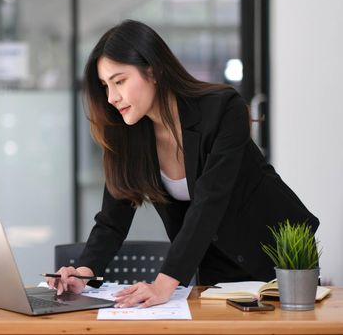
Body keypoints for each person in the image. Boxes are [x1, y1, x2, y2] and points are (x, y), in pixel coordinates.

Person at [47, 20, 319, 308]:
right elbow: (112, 220)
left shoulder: (224, 109)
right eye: (105, 86)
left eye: (120, 81)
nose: (112, 97)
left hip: (280, 254)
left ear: (152, 70)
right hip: (215, 266)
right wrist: (85, 273)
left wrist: (163, 283)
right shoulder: (129, 134)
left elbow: (210, 201)